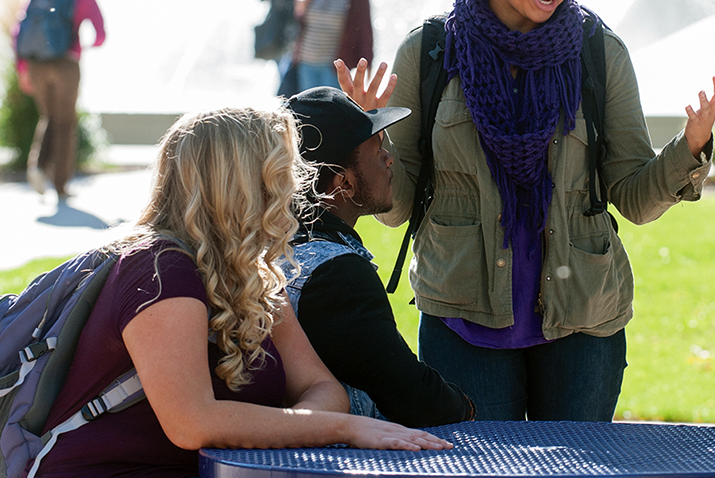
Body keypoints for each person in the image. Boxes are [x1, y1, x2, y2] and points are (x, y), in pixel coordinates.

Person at [336, 0, 715, 422]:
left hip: (583, 321)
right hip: (464, 318)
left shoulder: (600, 53)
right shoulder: (431, 51)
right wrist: (368, 133)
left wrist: (690, 147)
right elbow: (398, 208)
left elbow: (634, 198)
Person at [35, 107, 451, 478]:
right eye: (282, 174)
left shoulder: (254, 270)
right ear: (237, 183)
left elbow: (325, 390)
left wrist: (290, 425)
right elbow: (192, 422)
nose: (295, 189)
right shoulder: (160, 268)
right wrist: (339, 428)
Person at [280, 87, 474, 428]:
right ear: (344, 183)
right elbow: (413, 396)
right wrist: (467, 408)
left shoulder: (271, 246)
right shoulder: (336, 276)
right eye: (377, 149)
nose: (389, 157)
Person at [16, 0, 105, 200]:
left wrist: (23, 68)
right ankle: (61, 185)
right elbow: (100, 34)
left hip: (36, 65)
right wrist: (83, 46)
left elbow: (18, 30)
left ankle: (37, 167)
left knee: (49, 117)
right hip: (66, 63)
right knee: (65, 122)